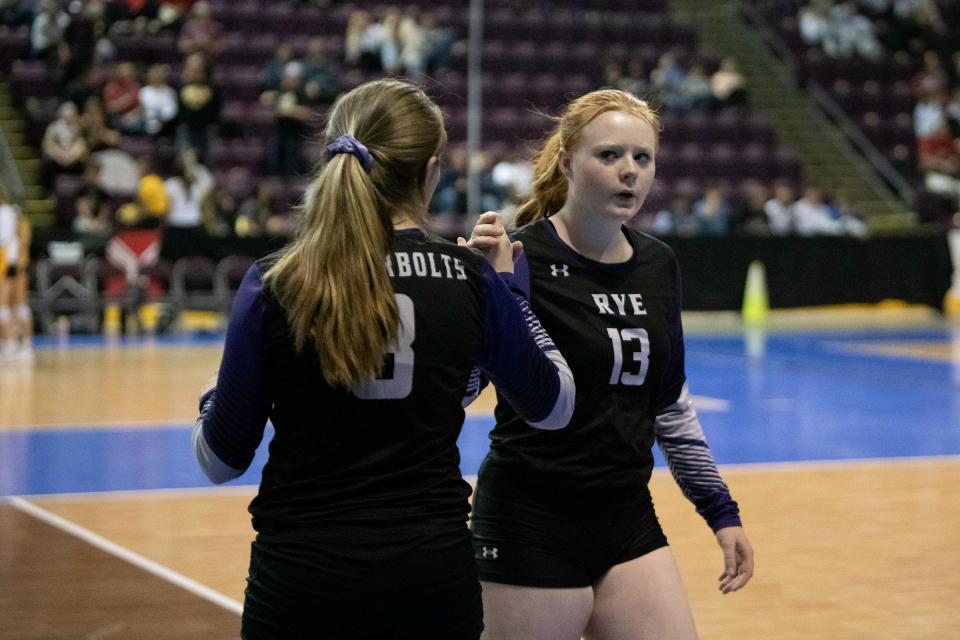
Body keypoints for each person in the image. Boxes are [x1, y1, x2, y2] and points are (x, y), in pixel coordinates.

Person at [192, 78, 575, 639]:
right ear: (431, 170)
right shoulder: (469, 280)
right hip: (430, 581)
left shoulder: (275, 282)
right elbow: (554, 406)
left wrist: (213, 393)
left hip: (300, 584)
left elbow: (220, 460)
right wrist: (509, 292)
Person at [466, 88, 754, 640]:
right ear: (568, 162)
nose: (630, 173)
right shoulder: (519, 257)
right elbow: (459, 388)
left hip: (625, 515)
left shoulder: (658, 264)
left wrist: (721, 511)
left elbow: (669, 405)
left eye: (642, 159)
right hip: (531, 518)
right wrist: (490, 291)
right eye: (610, 156)